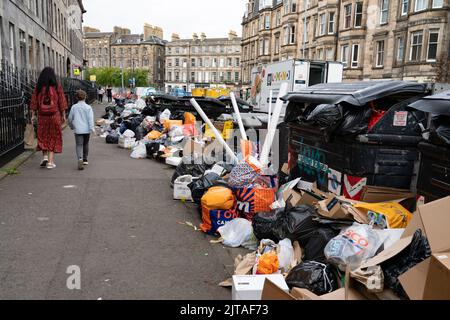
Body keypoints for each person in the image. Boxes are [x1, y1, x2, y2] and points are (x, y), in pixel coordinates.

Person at [30, 67, 68, 170]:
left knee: (43, 136)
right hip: (54, 115)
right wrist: (64, 115)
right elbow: (62, 101)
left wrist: (33, 114)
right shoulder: (56, 87)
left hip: (42, 116)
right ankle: (50, 163)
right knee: (53, 137)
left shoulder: (38, 87)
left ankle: (45, 157)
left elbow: (34, 102)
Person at [68, 90, 94, 171]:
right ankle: (85, 159)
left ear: (76, 97)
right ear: (85, 97)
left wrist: (71, 126)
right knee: (86, 144)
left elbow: (69, 118)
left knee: (79, 145)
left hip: (78, 129)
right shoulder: (88, 107)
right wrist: (92, 128)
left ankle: (80, 158)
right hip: (86, 129)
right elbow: (90, 119)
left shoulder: (74, 107)